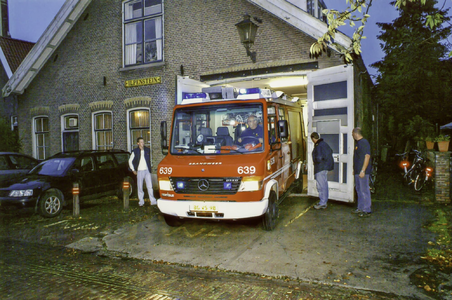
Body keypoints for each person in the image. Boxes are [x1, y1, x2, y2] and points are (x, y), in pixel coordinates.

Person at [128, 137, 156, 207]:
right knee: (140, 187)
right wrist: (133, 169)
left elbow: (150, 159)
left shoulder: (147, 150)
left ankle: (152, 201)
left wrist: (150, 166)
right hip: (140, 171)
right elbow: (130, 161)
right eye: (141, 142)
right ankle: (141, 201)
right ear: (138, 143)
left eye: (143, 142)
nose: (142, 143)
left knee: (149, 186)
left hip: (147, 170)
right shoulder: (135, 151)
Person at [311, 132, 334, 209]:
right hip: (323, 167)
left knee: (321, 186)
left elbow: (319, 157)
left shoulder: (319, 146)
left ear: (313, 139)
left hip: (320, 168)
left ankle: (322, 202)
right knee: (324, 184)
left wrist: (317, 161)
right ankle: (324, 201)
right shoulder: (324, 144)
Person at [352, 127, 372, 217]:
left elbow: (367, 156)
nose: (352, 136)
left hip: (362, 172)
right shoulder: (358, 144)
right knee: (359, 190)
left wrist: (363, 170)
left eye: (352, 134)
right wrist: (355, 170)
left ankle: (366, 209)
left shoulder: (364, 143)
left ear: (355, 133)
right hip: (358, 171)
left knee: (364, 190)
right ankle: (360, 208)